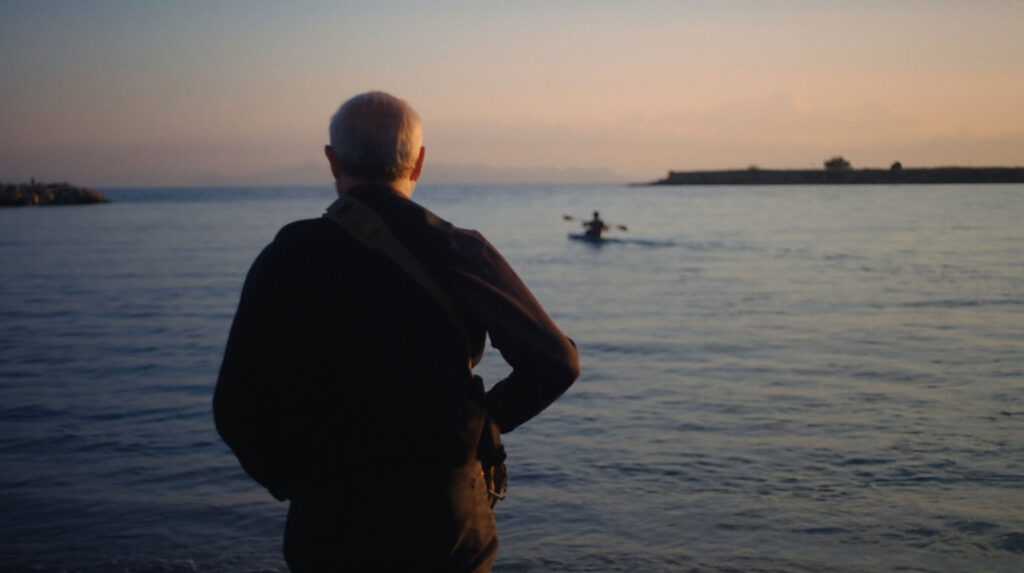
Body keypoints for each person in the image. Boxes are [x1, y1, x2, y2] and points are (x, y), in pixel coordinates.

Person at [213, 91, 579, 571]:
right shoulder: (458, 250)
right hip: (444, 519)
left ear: (331, 160)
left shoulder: (289, 253)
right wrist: (485, 421)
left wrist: (295, 481)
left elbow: (235, 405)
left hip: (330, 520)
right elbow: (556, 362)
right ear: (420, 162)